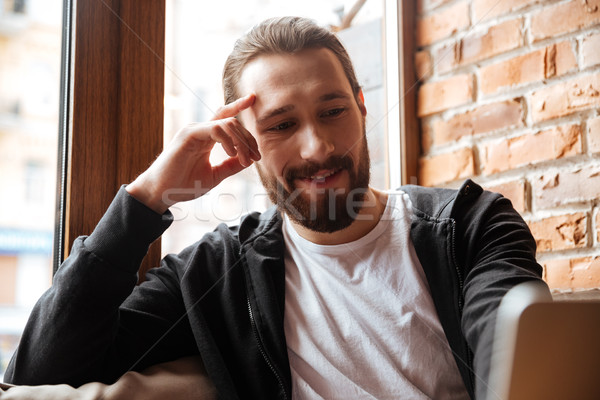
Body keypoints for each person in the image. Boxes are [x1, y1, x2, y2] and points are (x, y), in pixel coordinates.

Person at [4, 16, 546, 399]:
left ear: (361, 108)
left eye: (333, 110)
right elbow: (41, 375)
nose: (317, 147)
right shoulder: (214, 272)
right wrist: (145, 199)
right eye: (282, 125)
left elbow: (518, 357)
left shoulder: (471, 225)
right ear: (243, 141)